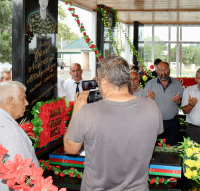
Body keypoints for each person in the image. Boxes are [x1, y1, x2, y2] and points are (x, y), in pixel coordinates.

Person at [64, 56, 163, 191]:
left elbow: (70, 148)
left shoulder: (87, 112)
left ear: (104, 82)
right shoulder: (152, 107)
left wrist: (77, 109)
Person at [144, 61, 183, 145]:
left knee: (172, 149)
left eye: (165, 69)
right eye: (160, 70)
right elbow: (143, 104)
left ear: (169, 70)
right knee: (155, 149)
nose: (163, 72)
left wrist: (179, 101)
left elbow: (183, 102)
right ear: (156, 71)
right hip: (155, 123)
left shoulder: (176, 83)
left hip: (173, 124)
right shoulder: (150, 84)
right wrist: (148, 99)